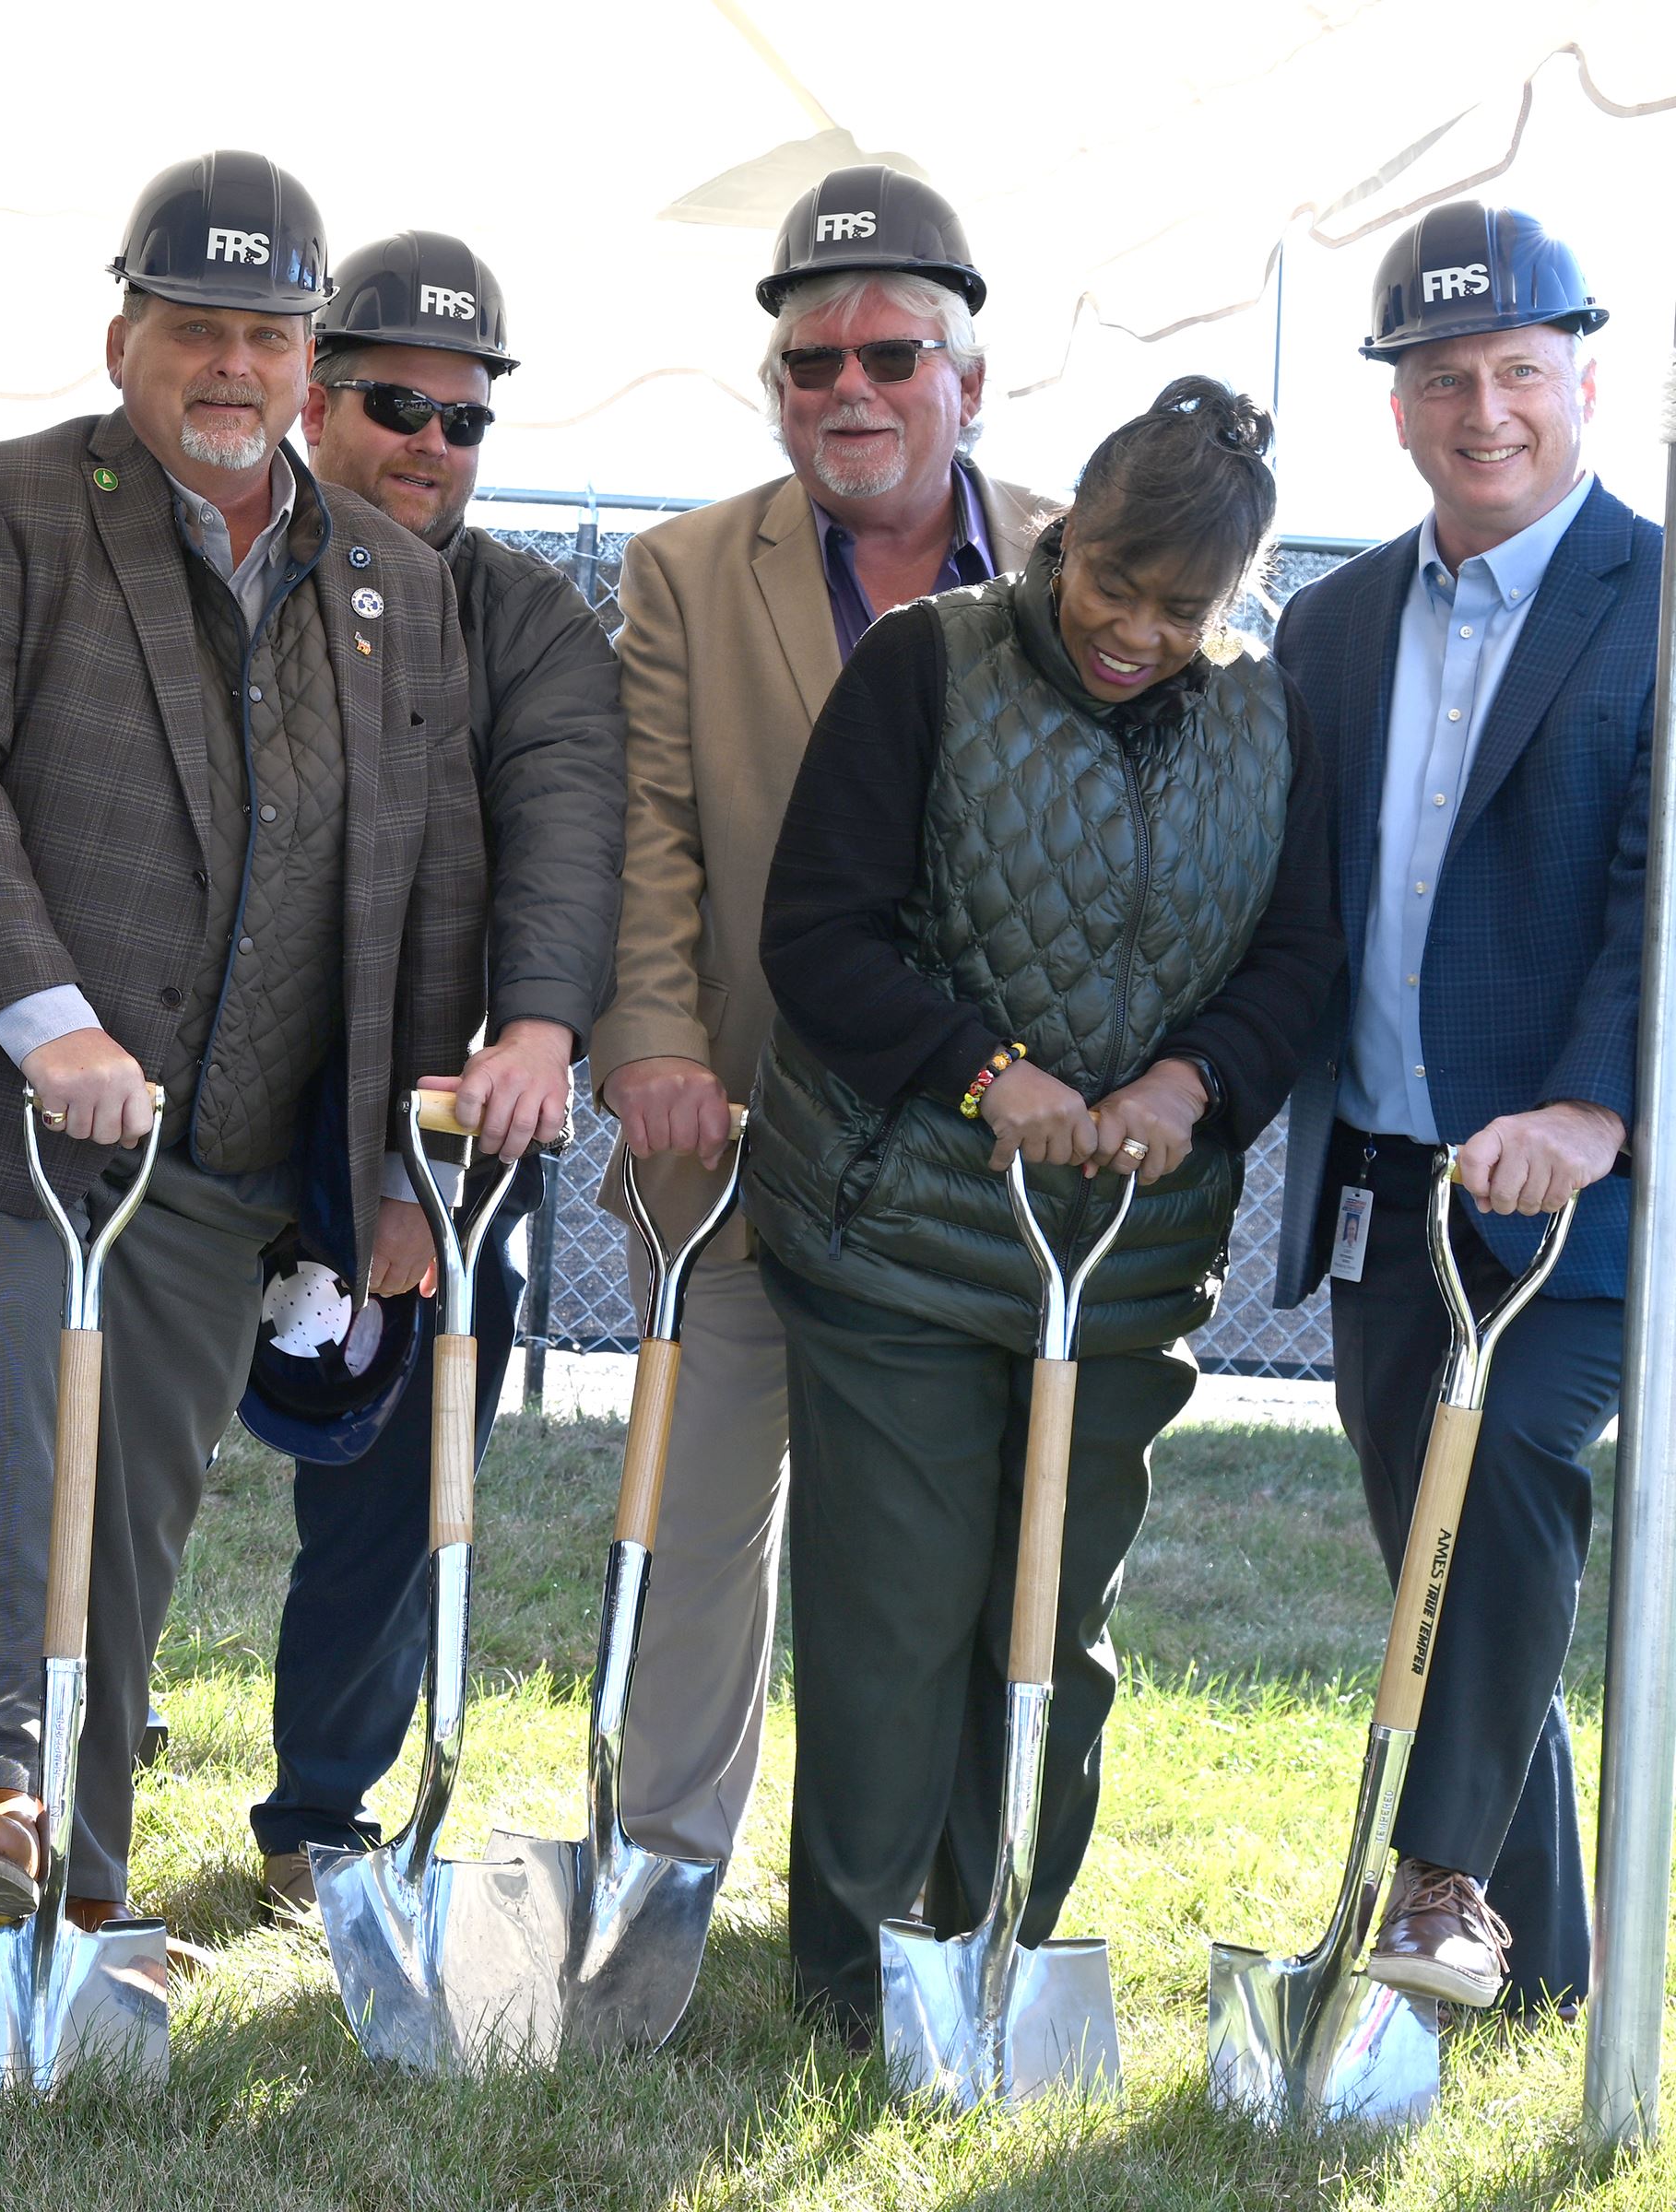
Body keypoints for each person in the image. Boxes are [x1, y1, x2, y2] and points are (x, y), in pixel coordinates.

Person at [0, 153, 487, 1940]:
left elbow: (427, 882)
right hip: (1, 1115)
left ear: (311, 364)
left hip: (224, 1148)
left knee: (130, 1526)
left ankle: (78, 1894)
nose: (231, 365)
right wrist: (49, 1023)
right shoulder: (1, 508)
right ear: (124, 337)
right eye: (196, 327)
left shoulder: (392, 582)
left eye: (267, 335)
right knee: (15, 1411)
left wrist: (401, 1168)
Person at [743, 378, 1340, 2037]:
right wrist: (982, 1072)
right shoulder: (924, 666)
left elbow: (1299, 958)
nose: (1137, 634)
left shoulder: (1271, 721)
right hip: (902, 1239)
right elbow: (819, 934)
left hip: (1124, 1261)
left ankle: (1001, 1946)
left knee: (1054, 1626)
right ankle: (859, 1980)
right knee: (899, 1615)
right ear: (1064, 535)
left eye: (1183, 611)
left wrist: (1194, 1083)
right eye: (1115, 587)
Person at [587, 166, 1045, 1867]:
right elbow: (649, 827)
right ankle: (658, 1864)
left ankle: (915, 1886)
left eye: (891, 356)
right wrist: (652, 1037)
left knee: (947, 1554)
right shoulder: (685, 573)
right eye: (811, 362)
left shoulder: (1082, 561)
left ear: (968, 380)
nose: (850, 389)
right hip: (738, 1134)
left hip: (990, 1163)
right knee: (692, 1524)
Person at [1272, 201, 1656, 2018]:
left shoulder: (1658, 602)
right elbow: (1294, 913)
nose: (1484, 411)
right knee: (1450, 1564)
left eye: (1518, 369)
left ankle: (1428, 1887)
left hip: (1586, 1195)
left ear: (1584, 377)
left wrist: (1593, 1106)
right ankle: (1538, 1965)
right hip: (1387, 1189)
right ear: (1398, 404)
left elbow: (1664, 888)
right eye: (1443, 378)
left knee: (1499, 1481)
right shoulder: (1333, 624)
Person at [247, 231, 625, 1911]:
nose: (432, 443)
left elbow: (569, 823)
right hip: (199, 1098)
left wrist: (534, 1030)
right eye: (398, 406)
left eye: (464, 419)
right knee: (114, 1453)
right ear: (313, 398)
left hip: (426, 1119)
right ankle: (51, 1800)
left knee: (398, 1492)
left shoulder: (527, 618)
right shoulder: (227, 572)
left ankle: (324, 1817)